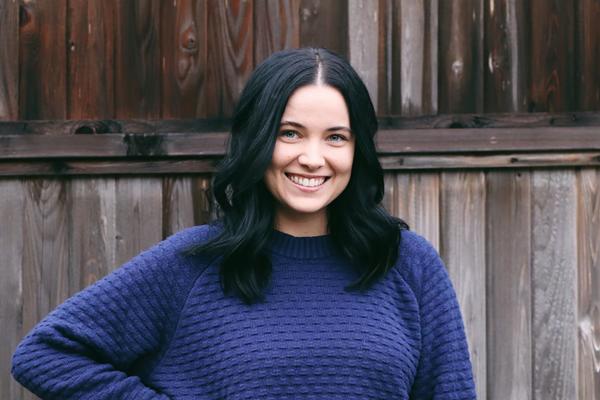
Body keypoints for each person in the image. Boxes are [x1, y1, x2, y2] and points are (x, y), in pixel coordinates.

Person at [12, 48, 476, 399]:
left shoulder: (407, 263)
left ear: (358, 151)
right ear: (257, 139)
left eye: (335, 137)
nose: (312, 158)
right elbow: (47, 354)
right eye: (289, 133)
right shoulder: (192, 264)